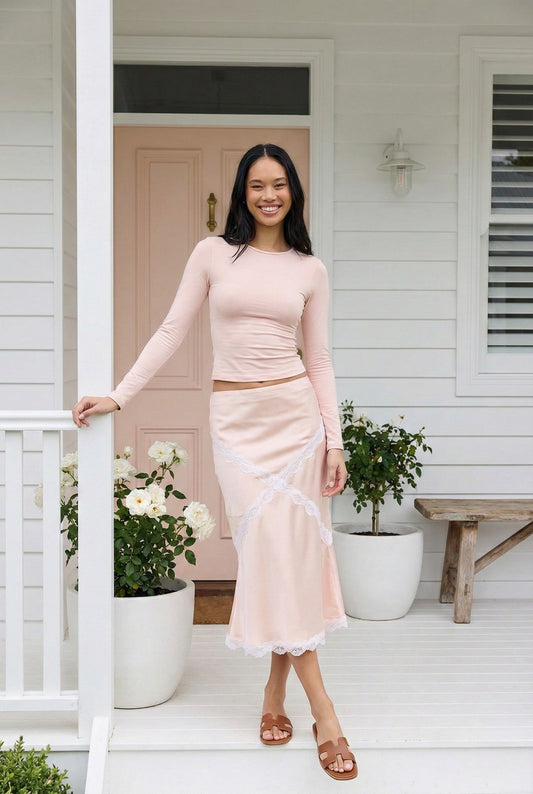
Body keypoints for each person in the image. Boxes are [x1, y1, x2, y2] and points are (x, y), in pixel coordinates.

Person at [72, 144, 357, 781]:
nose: (268, 195)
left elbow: (319, 360)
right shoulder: (212, 254)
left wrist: (335, 440)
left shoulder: (310, 269)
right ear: (241, 192)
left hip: (297, 424)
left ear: (293, 191)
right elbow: (171, 331)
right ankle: (325, 712)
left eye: (278, 184)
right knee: (268, 555)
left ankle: (278, 697)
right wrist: (120, 395)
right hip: (238, 427)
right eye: (257, 185)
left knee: (287, 560)